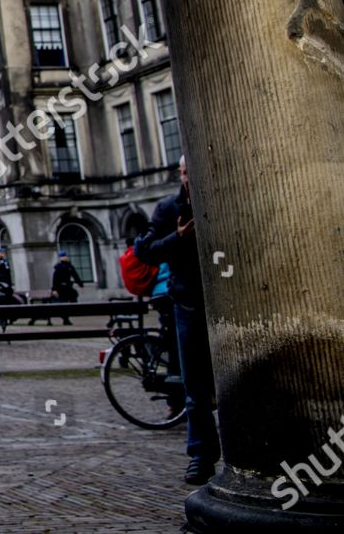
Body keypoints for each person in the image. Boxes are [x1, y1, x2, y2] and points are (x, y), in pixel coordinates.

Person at [135, 155, 218, 485]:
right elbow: (145, 251)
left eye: (193, 172)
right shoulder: (169, 209)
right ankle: (201, 456)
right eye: (185, 173)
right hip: (188, 304)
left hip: (227, 303)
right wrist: (177, 238)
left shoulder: (221, 201)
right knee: (195, 386)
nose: (188, 179)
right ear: (181, 174)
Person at [51, 250, 84, 324]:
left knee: (74, 296)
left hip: (68, 287)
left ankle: (68, 315)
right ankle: (65, 318)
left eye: (65, 256)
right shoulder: (58, 267)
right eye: (62, 256)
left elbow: (75, 275)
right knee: (63, 302)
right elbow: (55, 279)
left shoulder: (69, 266)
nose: (64, 258)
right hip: (61, 288)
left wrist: (79, 283)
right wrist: (54, 289)